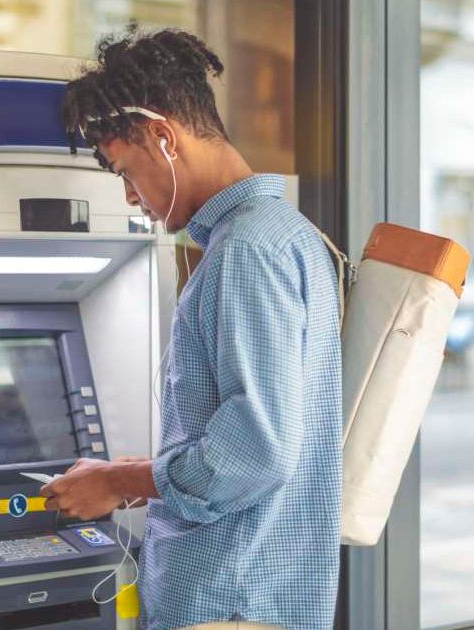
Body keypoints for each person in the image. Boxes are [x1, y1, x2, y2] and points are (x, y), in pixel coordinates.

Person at [40, 27, 342, 630]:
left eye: (126, 171)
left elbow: (257, 451)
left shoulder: (247, 250)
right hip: (245, 598)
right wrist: (152, 477)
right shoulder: (284, 235)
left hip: (229, 604)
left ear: (162, 136)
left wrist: (119, 479)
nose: (131, 197)